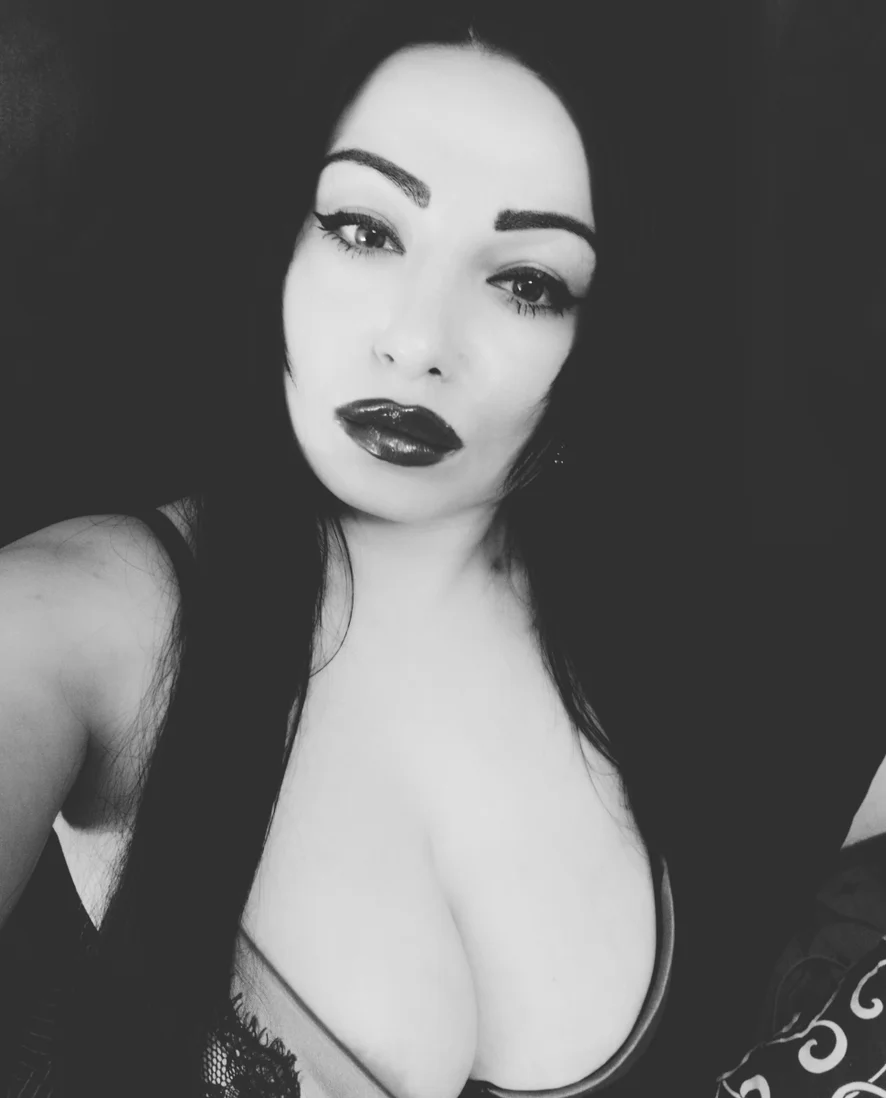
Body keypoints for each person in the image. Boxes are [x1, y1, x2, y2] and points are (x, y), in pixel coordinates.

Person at [1, 2, 817, 1095]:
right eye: (365, 229)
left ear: (598, 334)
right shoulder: (84, 618)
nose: (421, 341)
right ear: (277, 242)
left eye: (525, 283)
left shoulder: (691, 642)